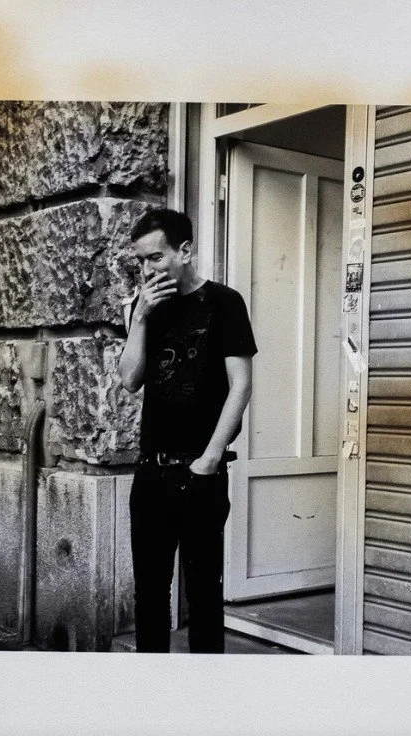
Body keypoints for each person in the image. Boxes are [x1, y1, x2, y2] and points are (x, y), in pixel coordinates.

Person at [118, 209, 257, 653]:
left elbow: (241, 386)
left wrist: (209, 460)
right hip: (151, 474)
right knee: (149, 599)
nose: (147, 270)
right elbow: (130, 379)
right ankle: (155, 691)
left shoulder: (225, 303)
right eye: (140, 261)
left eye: (155, 258)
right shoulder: (143, 309)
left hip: (201, 475)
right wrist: (140, 317)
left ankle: (204, 692)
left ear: (185, 251)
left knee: (203, 599)